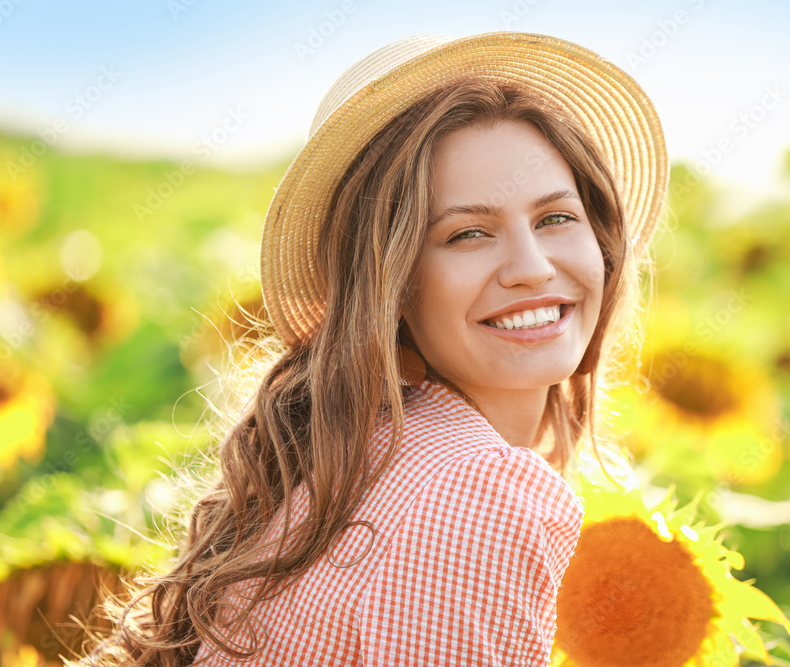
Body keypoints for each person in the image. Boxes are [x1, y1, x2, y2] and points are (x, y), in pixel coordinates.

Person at [81, 31, 667, 666]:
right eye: (467, 233)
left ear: (602, 240)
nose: (531, 267)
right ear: (390, 285)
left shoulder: (354, 452)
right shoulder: (483, 492)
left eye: (555, 218)